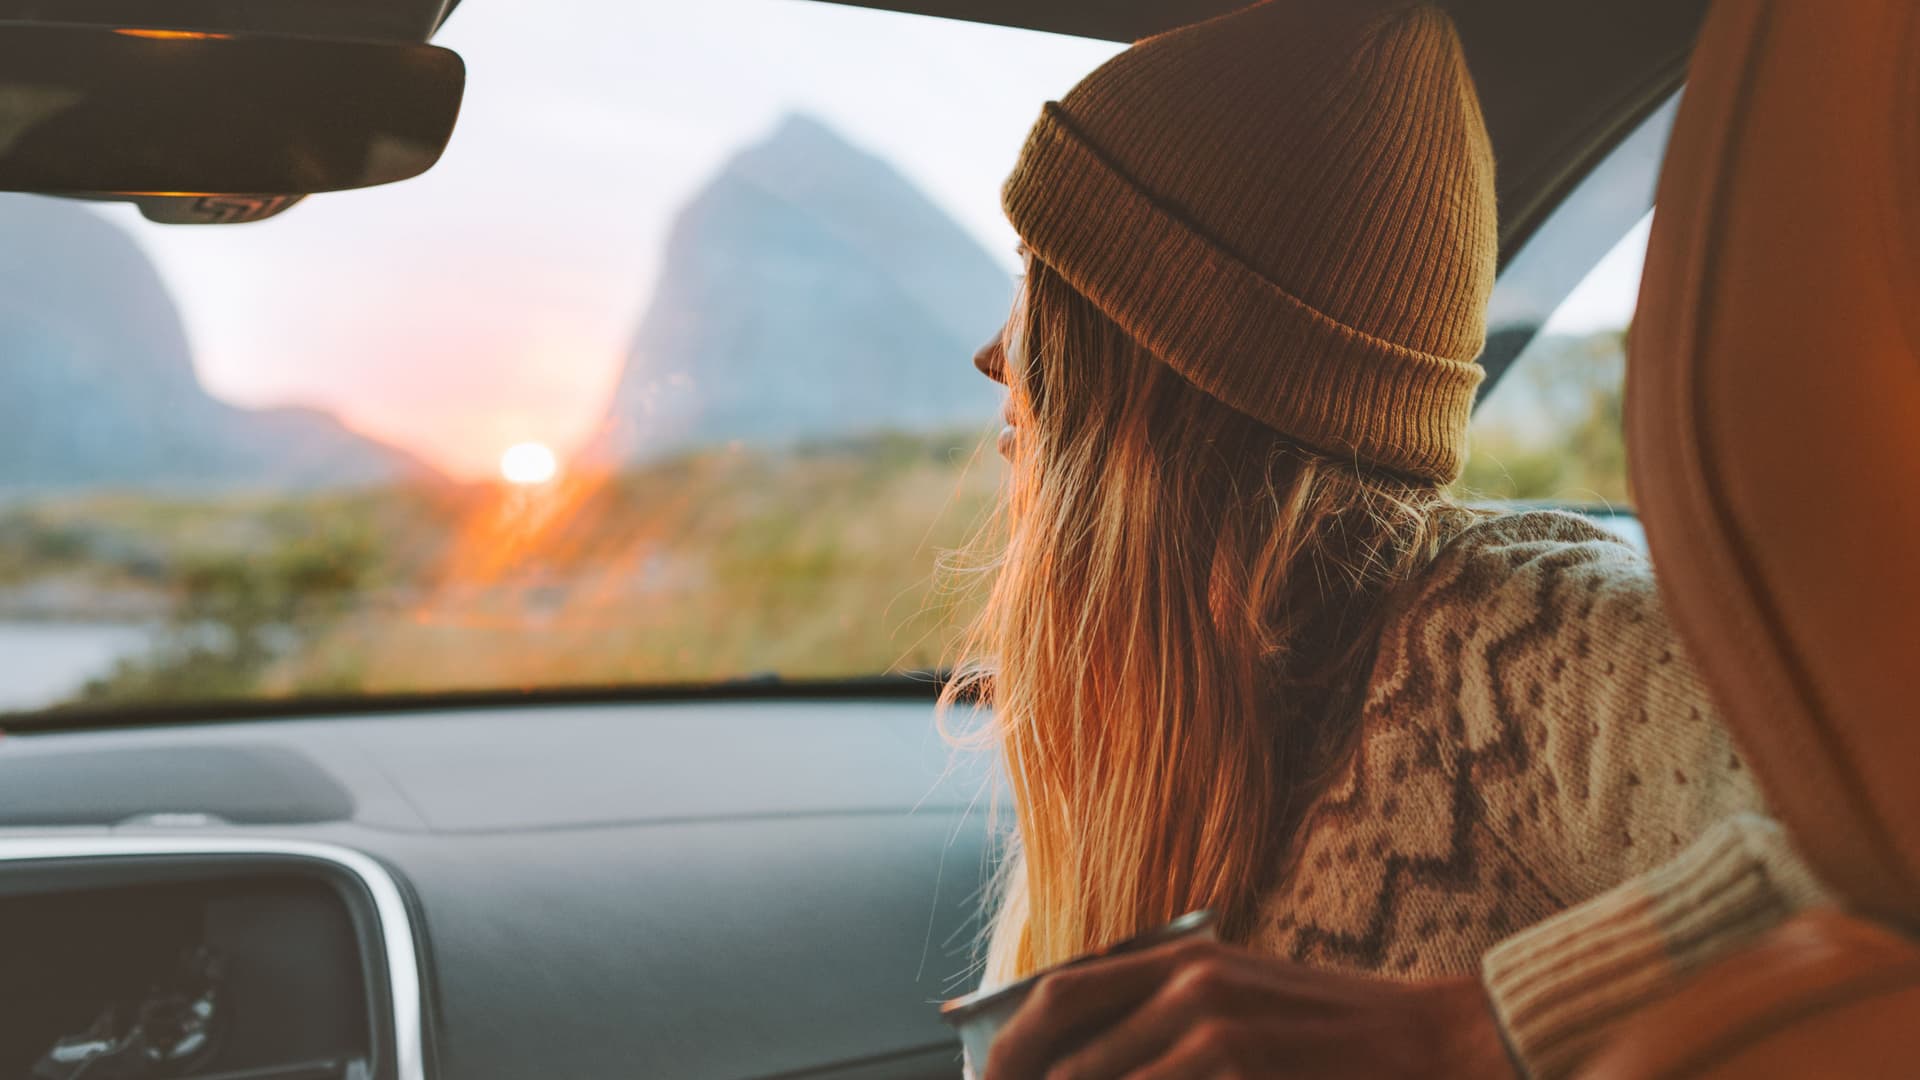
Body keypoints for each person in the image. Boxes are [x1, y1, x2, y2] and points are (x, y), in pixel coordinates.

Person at [938, 1, 1830, 1076]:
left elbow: (1875, 833)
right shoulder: (1126, 738)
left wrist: (1480, 1028)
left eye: (1041, 281)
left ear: (1154, 364)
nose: (995, 355)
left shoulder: (1506, 645)